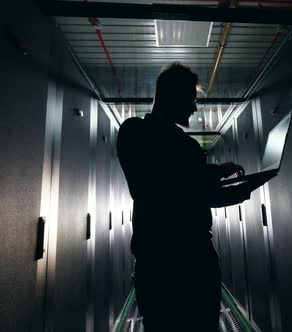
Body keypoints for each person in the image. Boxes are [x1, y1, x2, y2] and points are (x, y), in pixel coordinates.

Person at [117, 62, 252, 331]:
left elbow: (192, 186)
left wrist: (221, 178)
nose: (194, 107)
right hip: (160, 267)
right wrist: (213, 181)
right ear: (169, 94)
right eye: (190, 99)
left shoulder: (187, 144)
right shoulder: (135, 131)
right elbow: (159, 187)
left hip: (198, 263)